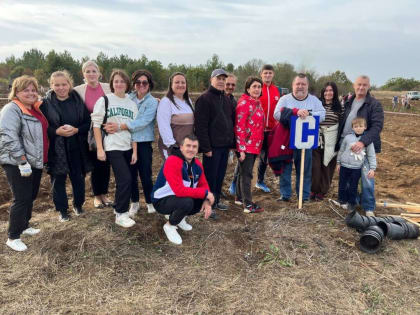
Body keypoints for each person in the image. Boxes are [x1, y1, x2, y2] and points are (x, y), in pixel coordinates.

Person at [0, 76, 48, 251]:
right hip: (17, 161)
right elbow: (8, 136)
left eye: (33, 89)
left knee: (31, 195)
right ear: (16, 92)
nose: (31, 93)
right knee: (21, 198)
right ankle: (13, 237)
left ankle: (25, 225)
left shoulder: (34, 109)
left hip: (34, 160)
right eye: (25, 90)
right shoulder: (11, 109)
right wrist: (21, 160)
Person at [103, 70, 158, 216]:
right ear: (133, 84)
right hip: (127, 142)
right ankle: (134, 202)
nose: (141, 85)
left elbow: (143, 122)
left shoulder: (152, 102)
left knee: (146, 174)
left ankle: (149, 201)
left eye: (144, 82)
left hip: (143, 142)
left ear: (149, 84)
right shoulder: (128, 98)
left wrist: (120, 126)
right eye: (138, 82)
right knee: (131, 174)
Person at [41, 71, 92, 222]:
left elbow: (87, 122)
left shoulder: (77, 101)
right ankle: (63, 211)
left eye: (64, 84)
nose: (61, 88)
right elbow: (42, 126)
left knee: (78, 177)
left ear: (69, 84)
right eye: (57, 85)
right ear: (51, 85)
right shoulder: (45, 104)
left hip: (76, 145)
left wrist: (76, 130)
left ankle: (78, 205)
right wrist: (56, 131)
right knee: (58, 179)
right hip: (56, 148)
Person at [91, 69, 138, 228]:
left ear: (127, 84)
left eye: (122, 81)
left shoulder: (132, 104)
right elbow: (96, 126)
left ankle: (119, 206)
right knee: (125, 179)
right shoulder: (104, 100)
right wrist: (100, 148)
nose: (119, 84)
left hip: (128, 146)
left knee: (123, 180)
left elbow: (134, 128)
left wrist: (135, 151)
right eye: (116, 81)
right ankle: (121, 214)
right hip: (112, 146)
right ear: (112, 84)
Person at [152, 134, 214, 245]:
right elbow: (179, 190)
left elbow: (203, 184)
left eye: (194, 147)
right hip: (161, 200)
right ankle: (170, 225)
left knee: (198, 200)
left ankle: (179, 218)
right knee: (187, 202)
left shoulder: (197, 164)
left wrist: (206, 200)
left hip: (177, 198)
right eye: (188, 146)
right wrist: (205, 193)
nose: (191, 149)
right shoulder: (172, 161)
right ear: (181, 147)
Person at [273, 73, 326, 202]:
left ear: (307, 86)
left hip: (305, 140)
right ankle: (285, 195)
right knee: (285, 168)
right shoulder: (285, 99)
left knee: (304, 168)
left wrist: (309, 114)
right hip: (286, 138)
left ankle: (304, 195)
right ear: (293, 85)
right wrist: (295, 114)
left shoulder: (314, 100)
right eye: (298, 84)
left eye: (303, 84)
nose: (300, 87)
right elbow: (276, 114)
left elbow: (323, 114)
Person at [336, 75, 384, 216]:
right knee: (351, 177)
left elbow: (377, 126)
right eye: (359, 84)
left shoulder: (374, 104)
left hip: (364, 146)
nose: (361, 87)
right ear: (354, 86)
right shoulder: (349, 102)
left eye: (364, 85)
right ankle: (353, 202)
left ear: (369, 86)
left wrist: (363, 141)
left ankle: (368, 207)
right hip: (347, 144)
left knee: (366, 178)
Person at [194, 69, 235, 215]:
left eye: (224, 79)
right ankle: (207, 205)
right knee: (210, 178)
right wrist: (206, 147)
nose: (221, 81)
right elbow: (200, 126)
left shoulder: (226, 100)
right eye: (218, 78)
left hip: (224, 146)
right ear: (211, 80)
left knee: (219, 176)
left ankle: (216, 201)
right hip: (212, 148)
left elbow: (230, 122)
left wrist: (231, 144)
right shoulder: (204, 99)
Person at [74, 60, 112, 209]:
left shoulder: (108, 88)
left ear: (99, 73)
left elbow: (126, 95)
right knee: (95, 163)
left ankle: (105, 194)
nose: (91, 74)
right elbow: (58, 91)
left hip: (107, 130)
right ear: (83, 74)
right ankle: (97, 196)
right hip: (89, 132)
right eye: (87, 71)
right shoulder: (78, 90)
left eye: (93, 71)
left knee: (106, 163)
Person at [234, 76, 265, 213]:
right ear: (248, 89)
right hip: (246, 146)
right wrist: (240, 149)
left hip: (255, 145)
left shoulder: (256, 103)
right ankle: (248, 204)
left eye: (259, 87)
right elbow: (239, 127)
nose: (257, 89)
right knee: (247, 175)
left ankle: (239, 198)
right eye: (254, 87)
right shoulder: (244, 104)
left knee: (243, 173)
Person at [310, 82, 343, 201]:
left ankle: (322, 191)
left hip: (331, 140)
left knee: (327, 166)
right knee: (315, 166)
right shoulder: (317, 106)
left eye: (331, 90)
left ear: (334, 93)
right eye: (326, 91)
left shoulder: (340, 108)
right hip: (317, 139)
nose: (328, 93)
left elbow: (342, 125)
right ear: (323, 93)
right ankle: (313, 189)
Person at [337, 118, 376, 214]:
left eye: (360, 126)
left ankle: (352, 203)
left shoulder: (367, 140)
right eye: (356, 127)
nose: (358, 128)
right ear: (352, 128)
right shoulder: (347, 138)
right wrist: (338, 162)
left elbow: (371, 155)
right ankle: (342, 201)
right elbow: (341, 150)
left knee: (353, 186)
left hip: (356, 168)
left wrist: (372, 168)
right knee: (342, 184)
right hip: (344, 166)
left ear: (365, 127)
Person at [255, 64, 281, 193]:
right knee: (249, 157)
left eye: (270, 73)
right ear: (261, 74)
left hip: (270, 130)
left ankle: (260, 181)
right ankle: (235, 182)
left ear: (273, 74)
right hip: (257, 129)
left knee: (265, 158)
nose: (267, 75)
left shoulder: (277, 90)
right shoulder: (257, 88)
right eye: (265, 73)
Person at [157, 72, 194, 160]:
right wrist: (173, 147)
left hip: (186, 147)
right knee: (172, 171)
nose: (180, 85)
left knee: (184, 172)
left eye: (183, 82)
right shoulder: (166, 102)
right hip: (172, 147)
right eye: (177, 82)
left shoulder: (188, 101)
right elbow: (164, 126)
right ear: (171, 85)